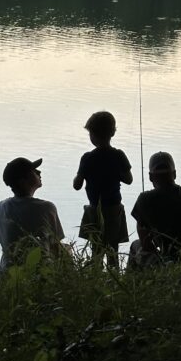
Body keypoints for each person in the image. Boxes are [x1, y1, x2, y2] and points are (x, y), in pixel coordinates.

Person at [73, 110, 133, 266]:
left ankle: (97, 278)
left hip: (94, 210)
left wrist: (82, 175)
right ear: (112, 132)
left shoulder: (87, 158)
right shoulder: (119, 155)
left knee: (96, 250)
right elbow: (129, 180)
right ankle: (115, 279)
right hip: (114, 209)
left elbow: (76, 185)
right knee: (113, 249)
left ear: (92, 135)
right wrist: (114, 173)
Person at [0, 156, 65, 271]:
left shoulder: (0, 207)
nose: (39, 172)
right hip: (38, 273)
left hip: (8, 272)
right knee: (66, 249)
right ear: (23, 181)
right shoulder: (46, 208)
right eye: (33, 171)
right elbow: (56, 247)